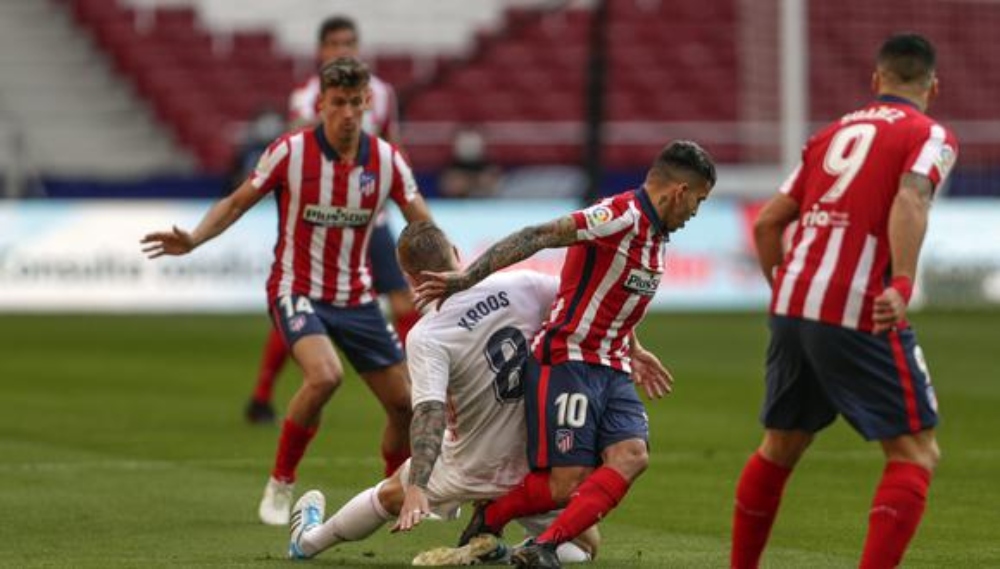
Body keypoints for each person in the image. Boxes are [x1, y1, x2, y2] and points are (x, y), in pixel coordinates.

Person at [141, 57, 433, 526]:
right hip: (296, 288)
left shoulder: (386, 161)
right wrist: (194, 238)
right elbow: (236, 203)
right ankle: (281, 481)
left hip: (356, 296)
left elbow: (422, 222)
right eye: (338, 103)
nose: (348, 113)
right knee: (325, 376)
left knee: (405, 405)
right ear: (321, 105)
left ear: (366, 103)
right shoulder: (290, 152)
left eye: (355, 103)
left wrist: (454, 272)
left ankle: (392, 492)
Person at [286, 221, 666, 564]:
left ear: (410, 278)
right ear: (456, 253)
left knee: (386, 497)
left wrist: (417, 487)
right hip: (533, 464)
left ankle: (308, 541)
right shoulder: (523, 286)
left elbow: (430, 413)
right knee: (585, 548)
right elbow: (586, 305)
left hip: (468, 465)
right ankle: (506, 549)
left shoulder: (427, 335)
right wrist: (633, 348)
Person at [414, 141, 716, 568]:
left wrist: (634, 346)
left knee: (633, 456)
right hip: (568, 360)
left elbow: (612, 292)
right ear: (680, 192)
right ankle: (492, 517)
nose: (696, 213)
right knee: (565, 485)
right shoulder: (617, 216)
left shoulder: (657, 234)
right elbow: (537, 235)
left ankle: (544, 547)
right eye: (698, 201)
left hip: (613, 366)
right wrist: (466, 279)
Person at [729, 34, 958, 569]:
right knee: (915, 451)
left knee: (780, 446)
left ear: (876, 80)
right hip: (857, 304)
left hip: (794, 303)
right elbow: (911, 198)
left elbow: (767, 224)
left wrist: (785, 290)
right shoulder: (928, 134)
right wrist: (902, 284)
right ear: (933, 87)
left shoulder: (829, 135)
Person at [246, 15, 419, 424]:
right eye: (335, 44)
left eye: (349, 43)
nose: (343, 50)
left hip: (368, 218)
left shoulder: (382, 93)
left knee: (403, 298)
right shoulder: (308, 95)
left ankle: (417, 380)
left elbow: (393, 142)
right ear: (321, 51)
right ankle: (262, 394)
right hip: (322, 218)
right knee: (303, 298)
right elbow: (299, 140)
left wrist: (398, 183)